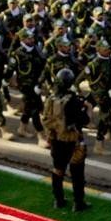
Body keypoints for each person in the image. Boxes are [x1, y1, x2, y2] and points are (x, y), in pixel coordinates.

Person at [43, 68, 91, 211]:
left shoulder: (51, 99)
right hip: (72, 141)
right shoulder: (73, 100)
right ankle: (78, 202)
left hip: (56, 139)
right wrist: (88, 108)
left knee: (58, 170)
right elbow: (84, 120)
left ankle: (58, 200)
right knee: (77, 173)